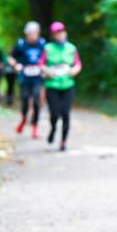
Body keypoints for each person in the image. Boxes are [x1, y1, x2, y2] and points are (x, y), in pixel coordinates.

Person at [39, 21, 81, 151]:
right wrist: (47, 71)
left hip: (68, 85)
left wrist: (74, 71)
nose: (60, 35)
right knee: (54, 114)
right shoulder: (48, 48)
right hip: (53, 85)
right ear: (53, 35)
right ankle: (53, 129)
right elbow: (41, 63)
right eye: (57, 33)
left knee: (66, 114)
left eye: (62, 32)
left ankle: (63, 141)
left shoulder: (71, 48)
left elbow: (78, 64)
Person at [10, 21, 46, 138]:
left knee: (36, 100)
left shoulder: (42, 43)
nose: (33, 35)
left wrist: (45, 68)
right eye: (31, 33)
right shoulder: (21, 44)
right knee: (25, 100)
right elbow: (11, 57)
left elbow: (47, 58)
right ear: (27, 34)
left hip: (37, 77)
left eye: (35, 33)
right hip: (25, 77)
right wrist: (16, 65)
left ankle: (35, 128)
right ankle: (24, 119)